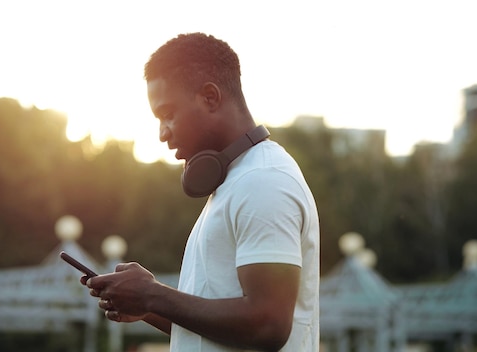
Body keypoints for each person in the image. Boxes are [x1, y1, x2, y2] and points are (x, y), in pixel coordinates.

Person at [82, 32, 320, 352]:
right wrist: (148, 306)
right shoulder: (236, 181)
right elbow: (221, 329)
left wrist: (154, 294)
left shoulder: (264, 181)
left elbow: (268, 325)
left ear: (209, 97)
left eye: (168, 114)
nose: (162, 133)